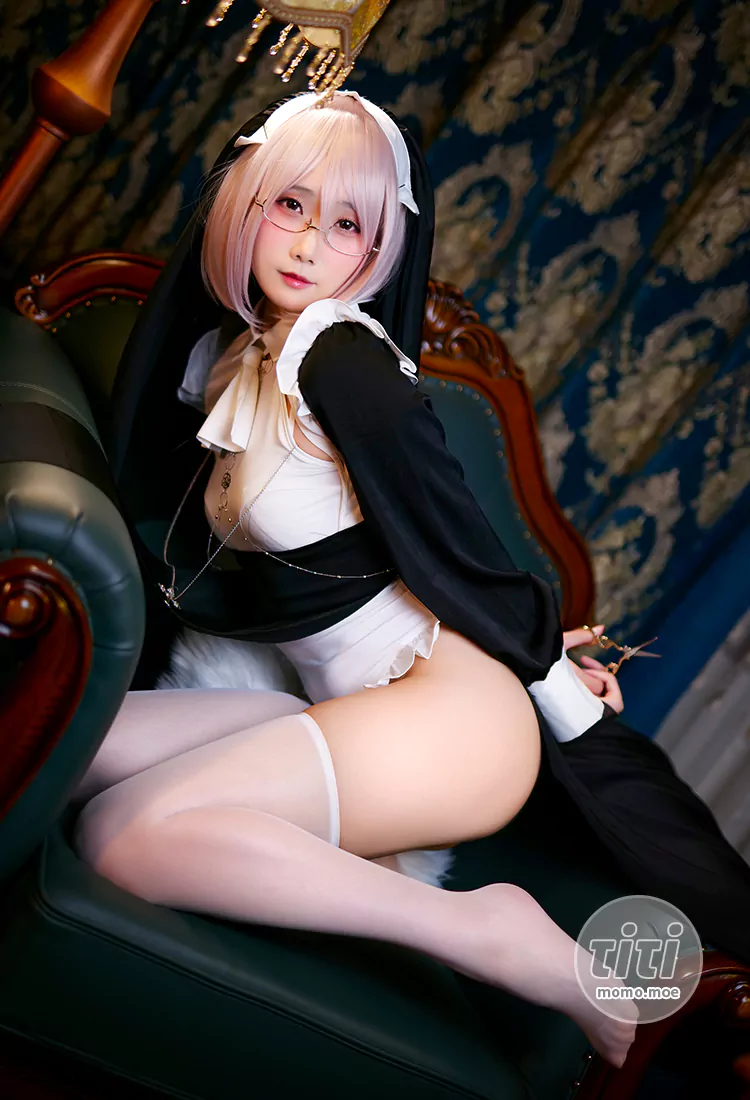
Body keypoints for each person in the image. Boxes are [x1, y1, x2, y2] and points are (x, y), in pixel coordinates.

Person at [70, 90, 750, 1071]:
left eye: (347, 223)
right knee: (70, 741)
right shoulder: (242, 353)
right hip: (344, 701)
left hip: (447, 719)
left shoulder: (339, 356)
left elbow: (455, 528)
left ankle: (481, 927)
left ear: (381, 245)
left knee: (119, 836)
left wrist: (542, 664)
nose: (309, 243)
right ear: (247, 199)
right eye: (290, 203)